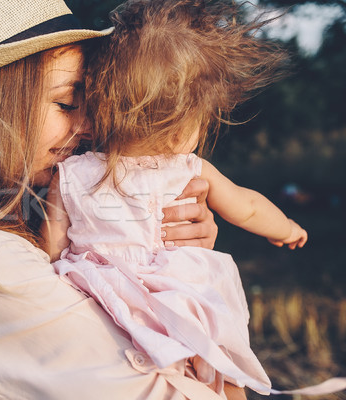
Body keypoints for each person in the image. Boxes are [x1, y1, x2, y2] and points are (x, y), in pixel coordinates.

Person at [0, 0, 235, 399]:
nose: (90, 127)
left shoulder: (31, 222)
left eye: (89, 105)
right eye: (65, 103)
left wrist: (170, 255)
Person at [41, 0, 344, 398]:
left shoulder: (71, 174)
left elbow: (52, 239)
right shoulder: (190, 168)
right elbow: (247, 206)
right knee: (219, 356)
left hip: (109, 297)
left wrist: (55, 266)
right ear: (179, 132)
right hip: (183, 294)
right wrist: (286, 227)